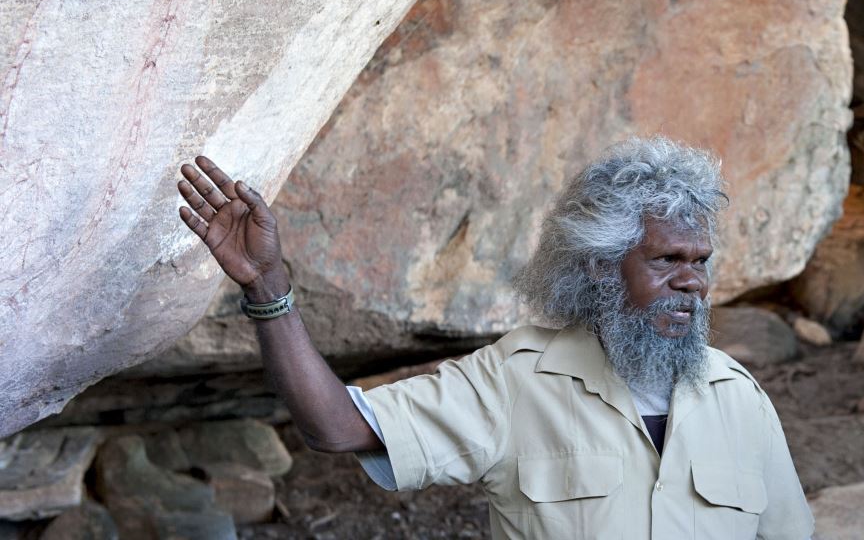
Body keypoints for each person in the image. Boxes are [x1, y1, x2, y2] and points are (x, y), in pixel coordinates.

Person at [175, 138, 814, 539]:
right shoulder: (517, 380)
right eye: (667, 260)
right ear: (599, 264)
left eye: (699, 261)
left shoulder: (739, 398)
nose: (692, 282)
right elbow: (338, 429)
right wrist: (268, 287)